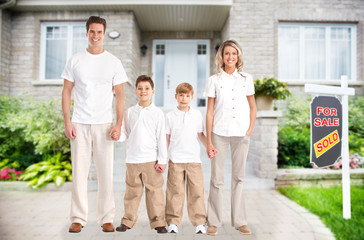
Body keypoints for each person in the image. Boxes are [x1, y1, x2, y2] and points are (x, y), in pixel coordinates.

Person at [61, 16, 128, 233]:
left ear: (104, 33)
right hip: (79, 123)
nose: (96, 36)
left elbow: (120, 95)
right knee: (79, 173)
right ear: (86, 33)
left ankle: (106, 218)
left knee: (105, 173)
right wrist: (67, 120)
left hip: (104, 125)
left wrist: (118, 124)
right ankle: (78, 218)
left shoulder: (113, 62)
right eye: (92, 31)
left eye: (99, 32)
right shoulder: (75, 60)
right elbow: (66, 91)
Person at [204, 40, 257, 236]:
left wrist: (249, 129)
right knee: (217, 179)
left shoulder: (246, 79)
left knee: (239, 178)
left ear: (238, 56)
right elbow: (210, 112)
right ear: (222, 56)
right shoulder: (214, 80)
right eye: (227, 53)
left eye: (234, 54)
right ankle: (214, 222)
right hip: (219, 134)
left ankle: (240, 221)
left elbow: (253, 107)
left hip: (241, 134)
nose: (230, 57)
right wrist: (209, 140)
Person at [115, 75, 168, 234]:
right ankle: (128, 221)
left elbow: (161, 138)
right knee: (132, 193)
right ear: (136, 91)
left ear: (153, 91)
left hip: (151, 161)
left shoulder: (157, 113)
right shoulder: (130, 112)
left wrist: (162, 160)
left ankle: (158, 222)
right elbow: (125, 134)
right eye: (140, 88)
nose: (143, 91)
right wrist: (117, 136)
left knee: (155, 193)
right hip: (132, 160)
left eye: (146, 88)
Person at [165, 83, 208, 234]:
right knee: (175, 192)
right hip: (176, 160)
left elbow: (200, 134)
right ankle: (172, 222)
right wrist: (162, 158)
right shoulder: (170, 116)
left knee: (196, 192)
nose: (184, 98)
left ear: (192, 97)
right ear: (176, 97)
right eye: (181, 95)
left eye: (187, 96)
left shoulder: (196, 114)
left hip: (194, 160)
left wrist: (209, 146)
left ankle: (200, 223)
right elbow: (167, 139)